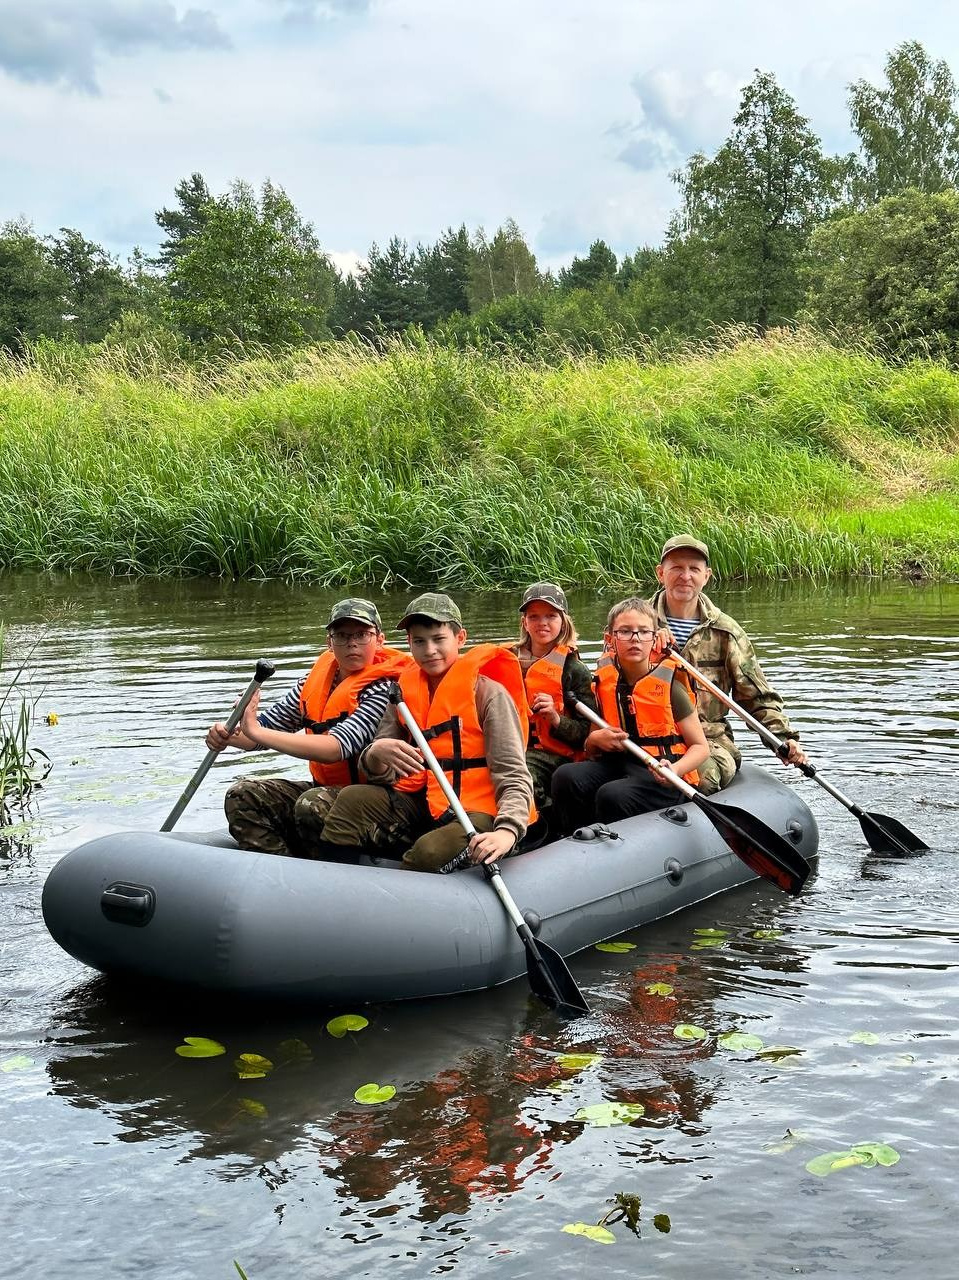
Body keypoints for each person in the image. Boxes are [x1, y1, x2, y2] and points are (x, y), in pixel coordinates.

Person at [319, 592, 536, 872]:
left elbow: (514, 773)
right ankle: (332, 879)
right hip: (425, 801)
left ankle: (399, 898)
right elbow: (378, 772)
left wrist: (507, 830)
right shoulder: (400, 694)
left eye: (438, 639)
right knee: (351, 799)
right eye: (419, 641)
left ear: (460, 639)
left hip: (480, 810)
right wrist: (375, 754)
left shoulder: (489, 695)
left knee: (428, 852)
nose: (429, 649)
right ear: (409, 643)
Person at [204, 598, 412, 857]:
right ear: (329, 642)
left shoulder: (384, 689)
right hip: (324, 788)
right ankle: (278, 872)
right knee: (243, 794)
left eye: (362, 635)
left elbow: (336, 747)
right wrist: (232, 734)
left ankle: (332, 875)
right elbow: (265, 729)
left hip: (375, 801)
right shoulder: (311, 683)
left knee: (312, 804)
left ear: (379, 640)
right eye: (342, 636)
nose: (352, 643)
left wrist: (255, 731)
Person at [651, 534, 807, 794]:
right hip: (649, 736)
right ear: (660, 573)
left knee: (699, 779)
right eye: (676, 567)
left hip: (709, 738)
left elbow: (756, 696)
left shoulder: (727, 632)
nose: (685, 576)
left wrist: (784, 739)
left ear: (706, 576)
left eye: (694, 569)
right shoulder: (636, 625)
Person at [550, 597, 709, 835]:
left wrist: (675, 770)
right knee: (565, 776)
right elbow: (592, 743)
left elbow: (701, 747)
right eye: (625, 632)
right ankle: (576, 839)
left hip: (663, 773)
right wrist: (594, 741)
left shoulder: (670, 687)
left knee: (612, 795)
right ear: (610, 639)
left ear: (654, 638)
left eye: (643, 632)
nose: (635, 639)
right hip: (621, 763)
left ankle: (618, 845)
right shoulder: (604, 682)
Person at [501, 582, 596, 818]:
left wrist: (556, 718)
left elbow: (585, 734)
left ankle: (543, 826)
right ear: (524, 622)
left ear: (563, 620)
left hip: (551, 754)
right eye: (534, 616)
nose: (542, 622)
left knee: (522, 775)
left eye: (551, 616)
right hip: (505, 745)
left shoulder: (575, 669)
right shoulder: (504, 661)